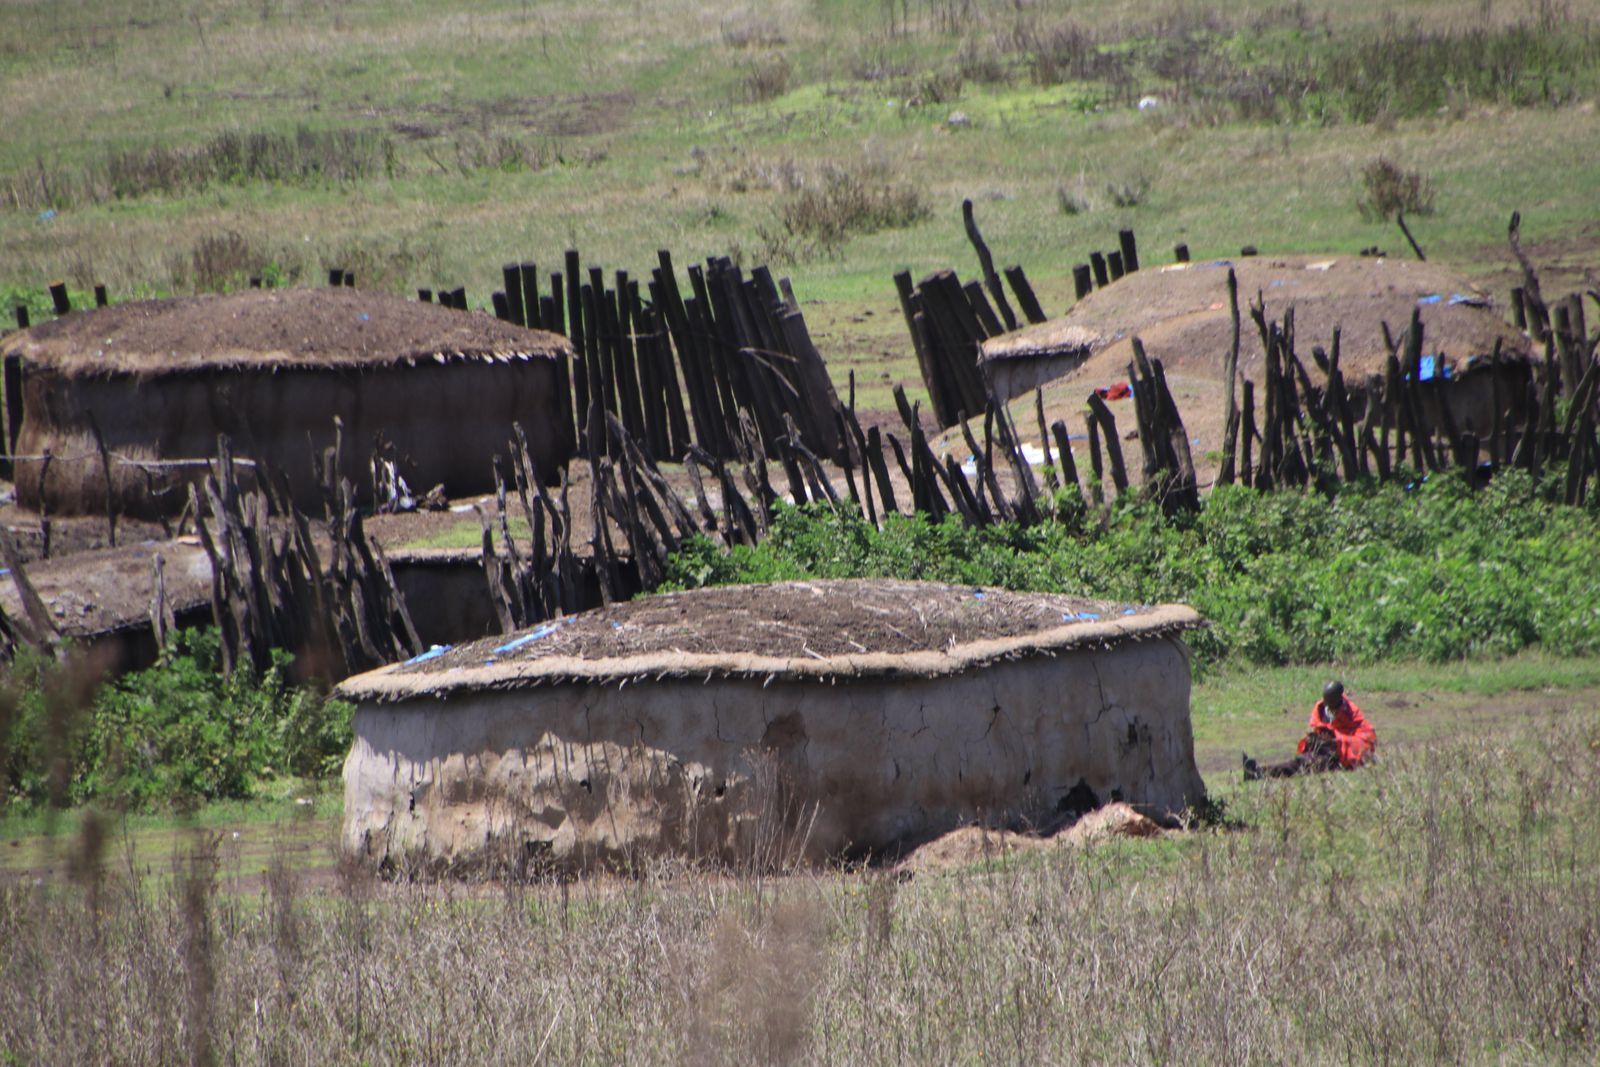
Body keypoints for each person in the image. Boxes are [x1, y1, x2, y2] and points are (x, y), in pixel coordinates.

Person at [1243, 680, 1376, 781]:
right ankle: (1257, 772)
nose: (1329, 709)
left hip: (1337, 756)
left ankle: (1258, 773)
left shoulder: (1351, 712)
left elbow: (1366, 739)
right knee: (1299, 761)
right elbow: (1316, 726)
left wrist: (1337, 741)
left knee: (1302, 764)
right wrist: (1316, 737)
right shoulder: (1321, 708)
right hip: (1319, 748)